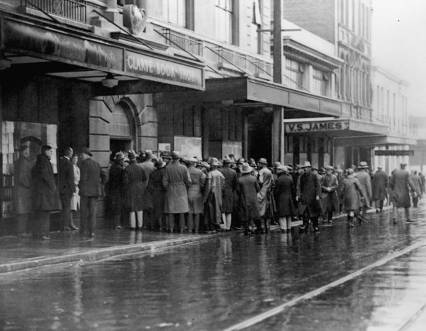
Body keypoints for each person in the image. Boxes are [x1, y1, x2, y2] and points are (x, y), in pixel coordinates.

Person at [31, 145, 61, 240]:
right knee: (45, 214)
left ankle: (37, 233)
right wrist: (53, 186)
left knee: (39, 214)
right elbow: (46, 175)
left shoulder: (38, 162)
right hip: (44, 193)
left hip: (38, 193)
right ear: (46, 151)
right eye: (50, 151)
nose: (52, 153)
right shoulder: (45, 162)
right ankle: (44, 234)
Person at [163, 151, 191, 233]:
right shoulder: (184, 168)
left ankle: (171, 228)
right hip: (181, 190)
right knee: (182, 211)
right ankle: (182, 229)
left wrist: (167, 188)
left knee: (171, 211)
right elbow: (188, 181)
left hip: (171, 190)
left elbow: (164, 182)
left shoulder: (168, 168)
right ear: (179, 158)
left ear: (172, 158)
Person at [79, 148, 102, 238]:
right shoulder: (97, 164)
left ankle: (83, 231)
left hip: (85, 192)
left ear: (86, 155)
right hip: (95, 192)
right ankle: (92, 231)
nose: (81, 156)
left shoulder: (84, 164)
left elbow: (83, 178)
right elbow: (104, 176)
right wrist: (99, 184)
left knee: (84, 213)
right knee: (93, 213)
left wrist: (81, 187)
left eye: (82, 155)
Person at [123, 151, 147, 231]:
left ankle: (133, 226)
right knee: (140, 207)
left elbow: (125, 181)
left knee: (132, 207)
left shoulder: (127, 169)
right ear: (135, 158)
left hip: (131, 188)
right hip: (140, 189)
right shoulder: (140, 168)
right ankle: (140, 225)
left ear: (129, 159)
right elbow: (144, 178)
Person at [14, 144, 34, 236]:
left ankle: (22, 231)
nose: (27, 153)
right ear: (22, 152)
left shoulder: (21, 161)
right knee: (23, 212)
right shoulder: (23, 162)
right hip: (23, 191)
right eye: (25, 151)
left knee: (23, 211)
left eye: (28, 151)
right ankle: (21, 231)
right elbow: (22, 178)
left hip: (22, 190)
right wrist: (30, 185)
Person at [296, 161, 321, 233]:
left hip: (313, 198)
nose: (305, 169)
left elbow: (318, 186)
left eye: (306, 168)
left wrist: (318, 195)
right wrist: (298, 195)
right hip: (304, 198)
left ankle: (315, 226)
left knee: (314, 214)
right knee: (305, 213)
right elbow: (299, 187)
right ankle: (305, 225)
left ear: (310, 168)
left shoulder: (314, 176)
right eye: (304, 168)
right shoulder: (301, 177)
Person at [237, 163, 260, 235]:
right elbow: (258, 188)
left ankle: (247, 230)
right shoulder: (254, 178)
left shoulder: (240, 180)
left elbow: (238, 190)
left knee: (245, 215)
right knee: (255, 214)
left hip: (244, 199)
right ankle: (259, 229)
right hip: (253, 199)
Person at [58, 147, 77, 231]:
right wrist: (73, 189)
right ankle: (66, 225)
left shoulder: (61, 161)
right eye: (71, 152)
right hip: (67, 189)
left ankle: (66, 224)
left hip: (62, 188)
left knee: (65, 207)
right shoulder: (68, 163)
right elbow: (70, 178)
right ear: (69, 153)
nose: (72, 153)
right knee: (67, 208)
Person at [204, 158, 225, 232]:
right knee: (217, 210)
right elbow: (223, 185)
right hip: (218, 194)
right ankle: (217, 225)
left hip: (211, 194)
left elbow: (208, 187)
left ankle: (211, 227)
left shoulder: (210, 174)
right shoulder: (220, 174)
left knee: (210, 211)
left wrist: (205, 197)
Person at [187, 158, 206, 233]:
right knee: (197, 212)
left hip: (188, 191)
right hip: (197, 191)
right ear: (195, 163)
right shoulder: (200, 172)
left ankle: (189, 229)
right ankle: (196, 229)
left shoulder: (186, 170)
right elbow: (203, 182)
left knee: (189, 212)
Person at [147, 159, 167, 231]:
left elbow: (149, 185)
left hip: (155, 192)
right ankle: (162, 225)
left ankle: (155, 225)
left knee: (156, 210)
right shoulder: (164, 172)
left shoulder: (153, 173)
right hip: (163, 192)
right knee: (163, 209)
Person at [107, 152, 125, 229]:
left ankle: (115, 223)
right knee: (118, 207)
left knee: (114, 207)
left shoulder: (112, 167)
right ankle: (117, 224)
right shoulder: (119, 169)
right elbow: (123, 180)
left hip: (113, 190)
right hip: (118, 190)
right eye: (122, 160)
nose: (123, 161)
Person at [274, 165, 295, 233]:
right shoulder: (290, 178)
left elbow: (276, 191)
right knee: (288, 215)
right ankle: (289, 228)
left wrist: (275, 197)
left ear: (281, 171)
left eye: (278, 170)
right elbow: (293, 190)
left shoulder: (279, 179)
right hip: (289, 198)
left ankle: (284, 229)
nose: (277, 171)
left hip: (281, 199)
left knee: (282, 215)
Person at [139, 150, 156, 230]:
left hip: (141, 187)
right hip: (151, 187)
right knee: (151, 207)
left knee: (142, 207)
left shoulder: (140, 165)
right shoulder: (153, 166)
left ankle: (143, 223)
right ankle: (151, 224)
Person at [220, 158, 237, 231]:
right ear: (229, 164)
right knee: (229, 210)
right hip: (230, 191)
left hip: (221, 191)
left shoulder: (220, 171)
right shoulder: (233, 172)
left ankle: (223, 226)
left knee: (223, 210)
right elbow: (235, 184)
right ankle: (228, 227)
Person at [257, 158, 274, 233]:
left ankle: (263, 228)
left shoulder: (261, 172)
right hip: (268, 192)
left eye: (259, 163)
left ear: (262, 164)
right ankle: (268, 227)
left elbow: (260, 182)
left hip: (261, 192)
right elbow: (273, 183)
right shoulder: (269, 171)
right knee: (268, 210)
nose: (258, 164)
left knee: (261, 210)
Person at [70, 154, 80, 219]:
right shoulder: (71, 167)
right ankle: (71, 222)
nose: (76, 160)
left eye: (77, 159)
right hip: (73, 186)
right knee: (72, 205)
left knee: (78, 204)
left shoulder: (77, 167)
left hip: (78, 187)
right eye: (74, 158)